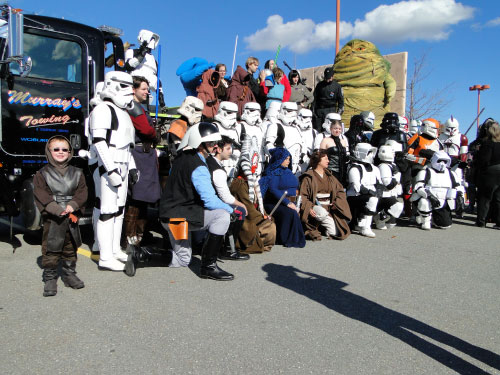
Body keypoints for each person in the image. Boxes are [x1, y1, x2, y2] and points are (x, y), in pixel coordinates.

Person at [157, 122, 235, 280]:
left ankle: (141, 254)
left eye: (215, 143)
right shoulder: (199, 166)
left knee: (182, 259)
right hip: (179, 218)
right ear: (200, 144)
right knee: (222, 216)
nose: (215, 147)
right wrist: (231, 209)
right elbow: (210, 201)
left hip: (170, 215)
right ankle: (209, 267)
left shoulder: (181, 158)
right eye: (211, 143)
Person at [89, 71, 137, 271]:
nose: (130, 91)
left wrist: (132, 167)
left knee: (119, 211)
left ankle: (115, 250)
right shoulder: (103, 109)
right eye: (125, 86)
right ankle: (105, 256)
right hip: (110, 166)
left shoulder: (123, 113)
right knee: (107, 212)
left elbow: (126, 146)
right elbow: (100, 142)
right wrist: (110, 170)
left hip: (124, 164)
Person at [34, 136, 88, 296]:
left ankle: (69, 274)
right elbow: (40, 193)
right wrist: (56, 209)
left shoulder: (78, 173)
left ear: (70, 152)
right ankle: (50, 277)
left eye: (65, 149)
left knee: (70, 246)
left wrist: (73, 205)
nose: (60, 152)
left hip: (71, 214)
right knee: (51, 247)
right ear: (49, 151)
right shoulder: (42, 174)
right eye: (56, 149)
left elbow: (82, 192)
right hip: (53, 216)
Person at [123, 76, 161, 247]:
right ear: (133, 89)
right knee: (137, 197)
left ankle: (140, 235)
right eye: (144, 89)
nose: (147, 92)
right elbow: (145, 130)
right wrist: (154, 131)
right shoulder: (133, 106)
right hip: (139, 153)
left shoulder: (140, 107)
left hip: (145, 154)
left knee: (144, 198)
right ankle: (131, 236)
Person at [229, 135, 276, 253]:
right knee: (268, 226)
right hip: (245, 217)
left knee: (271, 221)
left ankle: (261, 242)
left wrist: (264, 214)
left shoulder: (253, 182)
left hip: (253, 214)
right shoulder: (239, 184)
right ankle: (252, 242)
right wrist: (262, 217)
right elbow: (247, 206)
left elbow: (257, 203)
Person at [206, 136, 249, 260]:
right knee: (240, 212)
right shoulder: (217, 170)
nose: (231, 151)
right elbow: (225, 197)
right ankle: (228, 249)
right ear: (218, 150)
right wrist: (241, 204)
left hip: (209, 200)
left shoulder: (210, 161)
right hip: (211, 204)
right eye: (228, 148)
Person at [299, 150, 351, 241]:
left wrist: (336, 202)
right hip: (315, 206)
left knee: (336, 231)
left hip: (329, 206)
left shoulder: (329, 176)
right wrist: (309, 207)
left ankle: (321, 226)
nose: (328, 161)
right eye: (326, 159)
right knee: (322, 214)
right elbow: (303, 196)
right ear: (318, 161)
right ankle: (313, 226)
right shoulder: (308, 177)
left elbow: (340, 191)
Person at [259, 148, 306, 248]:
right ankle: (287, 238)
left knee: (295, 211)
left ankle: (296, 237)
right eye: (286, 159)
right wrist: (287, 203)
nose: (288, 161)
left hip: (291, 201)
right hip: (275, 203)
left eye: (289, 158)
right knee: (290, 213)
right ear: (279, 159)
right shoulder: (273, 172)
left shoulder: (289, 172)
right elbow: (273, 189)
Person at [411, 151, 461, 230]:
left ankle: (435, 218)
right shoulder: (426, 171)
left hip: (443, 200)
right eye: (439, 161)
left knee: (445, 225)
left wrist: (459, 197)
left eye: (445, 161)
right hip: (428, 198)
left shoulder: (451, 173)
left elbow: (457, 186)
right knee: (424, 203)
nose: (442, 163)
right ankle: (424, 219)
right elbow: (418, 187)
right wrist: (430, 197)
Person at [346, 143, 381, 238]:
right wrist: (371, 193)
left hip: (371, 195)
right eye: (369, 152)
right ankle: (366, 227)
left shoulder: (375, 168)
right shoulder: (355, 168)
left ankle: (369, 222)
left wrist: (378, 192)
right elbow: (357, 187)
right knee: (372, 200)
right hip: (355, 196)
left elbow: (379, 184)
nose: (372, 155)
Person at [125, 29, 164, 107]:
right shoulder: (132, 52)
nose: (152, 41)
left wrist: (159, 92)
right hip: (132, 90)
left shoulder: (153, 61)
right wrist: (141, 55)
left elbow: (153, 77)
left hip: (144, 94)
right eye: (151, 39)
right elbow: (129, 66)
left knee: (144, 113)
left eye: (153, 39)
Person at [264, 102, 305, 175]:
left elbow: (302, 143)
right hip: (279, 168)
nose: (293, 114)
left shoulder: (297, 128)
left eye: (295, 112)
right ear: (283, 111)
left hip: (295, 168)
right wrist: (278, 156)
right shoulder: (275, 126)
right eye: (289, 111)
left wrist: (303, 155)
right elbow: (268, 143)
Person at [475, 121, 500, 228]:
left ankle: (481, 220)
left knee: (485, 197)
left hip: (490, 171)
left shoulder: (488, 144)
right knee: (498, 198)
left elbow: (484, 160)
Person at [374, 144, 404, 229]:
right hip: (384, 195)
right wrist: (397, 177)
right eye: (392, 152)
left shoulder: (391, 165)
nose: (394, 154)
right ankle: (379, 217)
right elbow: (388, 184)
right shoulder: (383, 166)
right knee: (397, 206)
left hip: (391, 194)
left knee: (391, 224)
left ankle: (382, 217)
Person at [319, 115, 349, 186]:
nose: (337, 130)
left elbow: (345, 156)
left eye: (339, 129)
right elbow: (320, 157)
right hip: (330, 171)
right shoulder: (325, 140)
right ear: (331, 129)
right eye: (335, 128)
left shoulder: (343, 141)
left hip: (342, 172)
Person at [312, 66, 344, 131]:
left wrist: (338, 115)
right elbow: (314, 98)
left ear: (332, 76)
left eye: (329, 78)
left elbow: (341, 102)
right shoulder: (319, 85)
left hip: (331, 111)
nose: (327, 80)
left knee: (329, 130)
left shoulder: (337, 86)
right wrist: (313, 111)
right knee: (318, 130)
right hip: (320, 112)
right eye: (326, 78)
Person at [296, 108, 317, 173]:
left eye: (310, 117)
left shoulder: (314, 132)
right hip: (295, 161)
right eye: (305, 117)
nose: (308, 120)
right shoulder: (294, 130)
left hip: (309, 163)